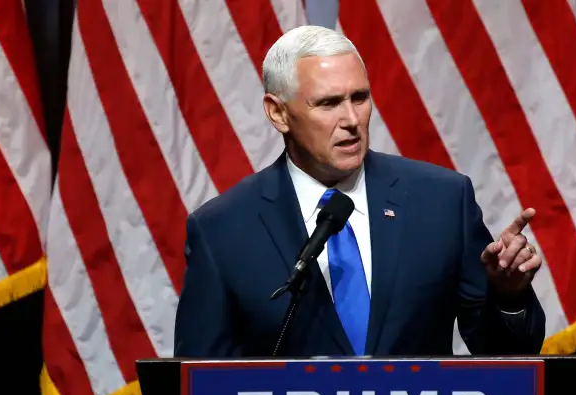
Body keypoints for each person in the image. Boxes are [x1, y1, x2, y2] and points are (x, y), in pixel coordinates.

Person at [173, 25, 545, 358]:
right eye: (328, 103)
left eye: (360, 97)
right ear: (278, 113)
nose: (351, 120)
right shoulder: (222, 231)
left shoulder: (441, 201)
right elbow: (195, 391)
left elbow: (506, 358)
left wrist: (509, 297)